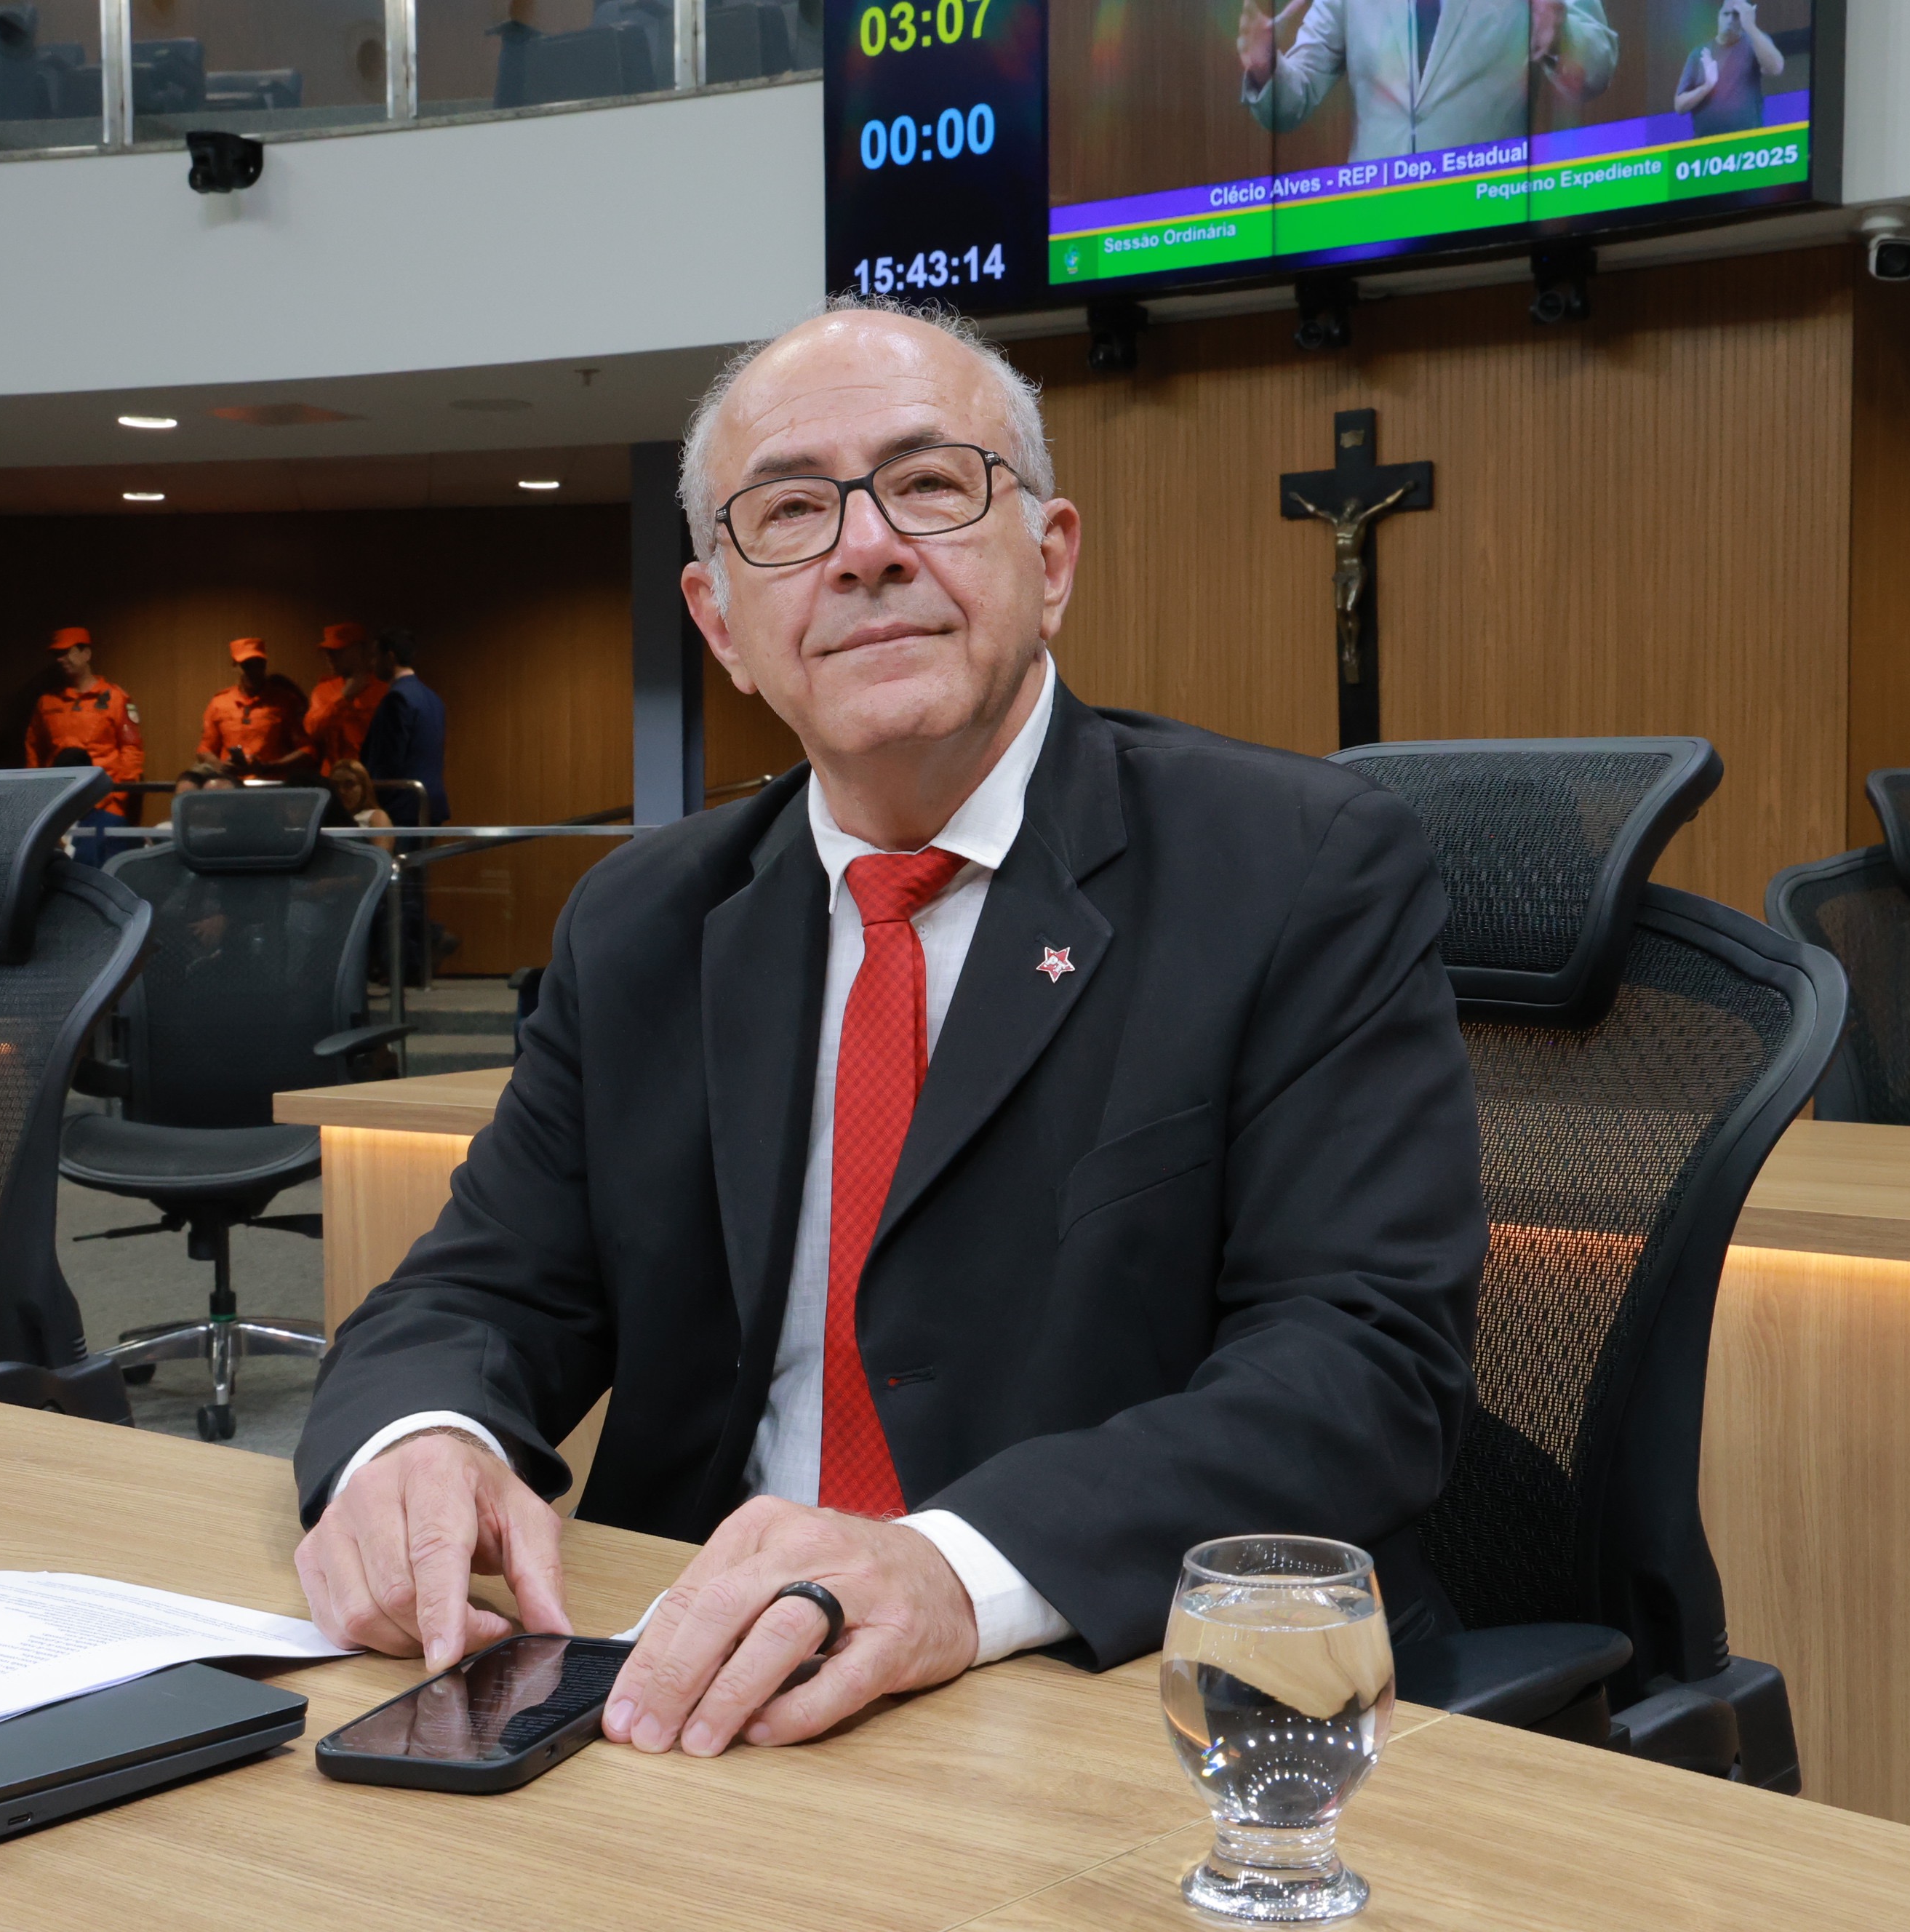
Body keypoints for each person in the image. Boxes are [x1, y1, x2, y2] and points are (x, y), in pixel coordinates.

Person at [290, 300, 1484, 1764]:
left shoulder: (1297, 867)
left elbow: (1359, 1365)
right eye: (791, 511)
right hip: (696, 1694)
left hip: (1118, 1696)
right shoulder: (644, 919)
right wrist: (420, 1438)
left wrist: (951, 1567)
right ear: (720, 624)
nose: (865, 548)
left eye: (928, 484)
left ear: (1051, 561)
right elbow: (477, 1292)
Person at [1239, 0, 1615, 161]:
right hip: (1373, 225)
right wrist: (1264, 68)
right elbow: (1290, 103)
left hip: (1488, 218)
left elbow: (1598, 68)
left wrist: (1561, 36)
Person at [26, 627, 145, 799]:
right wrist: (36, 791)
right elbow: (34, 748)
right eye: (57, 655)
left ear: (86, 654)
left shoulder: (116, 698)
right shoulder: (47, 702)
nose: (60, 659)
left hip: (104, 799)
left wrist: (119, 794)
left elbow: (131, 748)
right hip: (59, 798)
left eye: (67, 652)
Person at [358, 629, 449, 826]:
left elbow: (388, 759)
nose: (372, 663)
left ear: (390, 657)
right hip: (429, 801)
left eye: (375, 656)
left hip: (402, 803)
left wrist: (370, 799)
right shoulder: (433, 698)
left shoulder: (397, 698)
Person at [198, 639, 315, 780]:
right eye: (247, 666)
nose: (254, 671)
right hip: (231, 784)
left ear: (265, 665)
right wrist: (220, 766)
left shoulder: (284, 702)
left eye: (259, 664)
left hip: (272, 784)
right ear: (235, 665)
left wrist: (270, 767)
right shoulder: (220, 703)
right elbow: (205, 748)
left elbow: (307, 750)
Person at [1672, 0, 1784, 134]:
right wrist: (1706, 87)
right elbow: (1680, 106)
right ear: (1718, 16)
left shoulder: (1755, 42)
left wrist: (1751, 26)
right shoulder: (1699, 54)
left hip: (1748, 139)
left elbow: (1776, 68)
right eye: (1726, 14)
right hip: (1707, 143)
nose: (1730, 20)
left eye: (1736, 15)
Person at [305, 623, 389, 773]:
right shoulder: (323, 691)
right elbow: (313, 730)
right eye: (328, 652)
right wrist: (344, 697)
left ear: (359, 650)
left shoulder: (383, 691)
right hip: (333, 777)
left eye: (337, 651)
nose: (330, 657)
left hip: (373, 778)